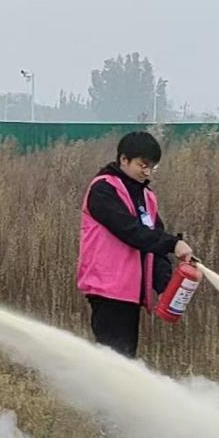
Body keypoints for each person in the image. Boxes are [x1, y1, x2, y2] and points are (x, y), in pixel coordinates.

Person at [77, 131, 194, 358]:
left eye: (152, 167)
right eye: (143, 165)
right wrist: (173, 244)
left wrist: (165, 286)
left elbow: (154, 242)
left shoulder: (146, 197)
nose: (147, 172)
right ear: (124, 159)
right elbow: (130, 230)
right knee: (115, 358)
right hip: (107, 288)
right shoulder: (103, 190)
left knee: (125, 358)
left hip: (131, 292)